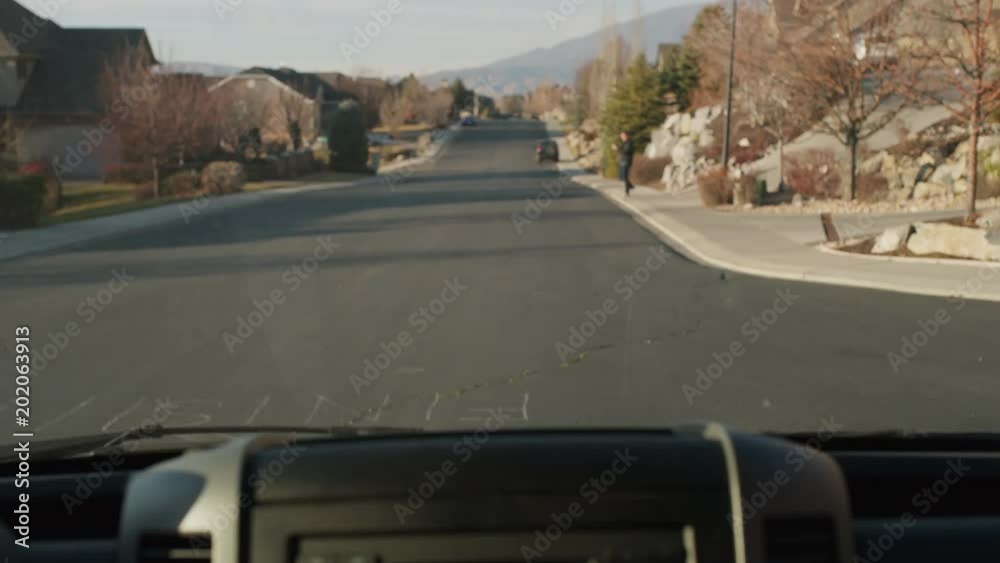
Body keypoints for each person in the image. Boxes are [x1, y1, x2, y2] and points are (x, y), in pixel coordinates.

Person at [613, 131, 635, 196]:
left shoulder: (629, 143)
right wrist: (617, 148)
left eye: (623, 136)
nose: (622, 137)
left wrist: (617, 149)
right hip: (622, 160)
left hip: (627, 161)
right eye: (621, 136)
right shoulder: (624, 143)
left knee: (625, 176)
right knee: (621, 176)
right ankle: (630, 186)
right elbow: (621, 150)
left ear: (627, 136)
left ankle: (627, 191)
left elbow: (626, 151)